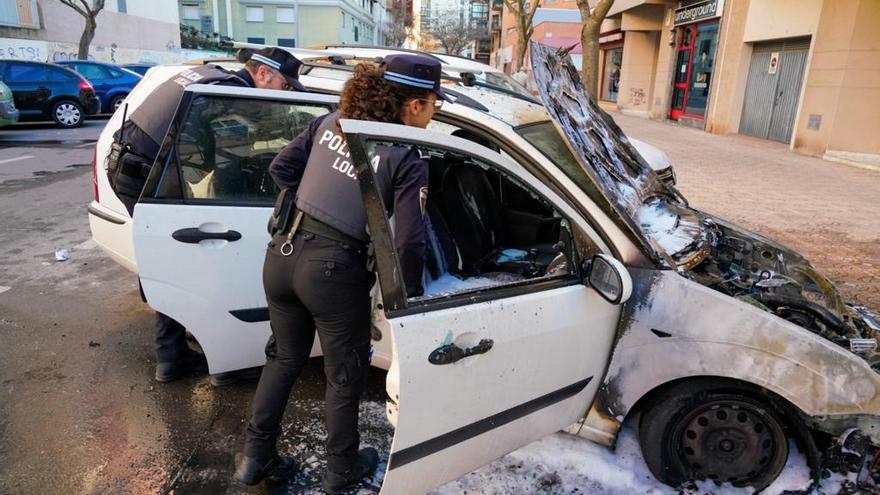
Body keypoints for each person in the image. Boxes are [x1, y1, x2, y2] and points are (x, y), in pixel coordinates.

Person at [234, 54, 450, 491]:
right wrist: (404, 298)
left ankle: (255, 459)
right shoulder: (407, 156)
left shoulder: (332, 121)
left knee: (283, 359)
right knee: (344, 375)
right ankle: (340, 472)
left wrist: (315, 204)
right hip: (334, 272)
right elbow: (410, 241)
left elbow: (281, 168)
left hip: (282, 255)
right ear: (414, 105)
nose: (434, 115)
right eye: (434, 106)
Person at [110, 47, 306, 386]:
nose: (285, 93)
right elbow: (229, 163)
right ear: (262, 74)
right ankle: (229, 361)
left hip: (128, 166)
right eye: (285, 86)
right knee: (201, 265)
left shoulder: (210, 75)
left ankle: (171, 357)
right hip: (144, 175)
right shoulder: (230, 92)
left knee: (170, 266)